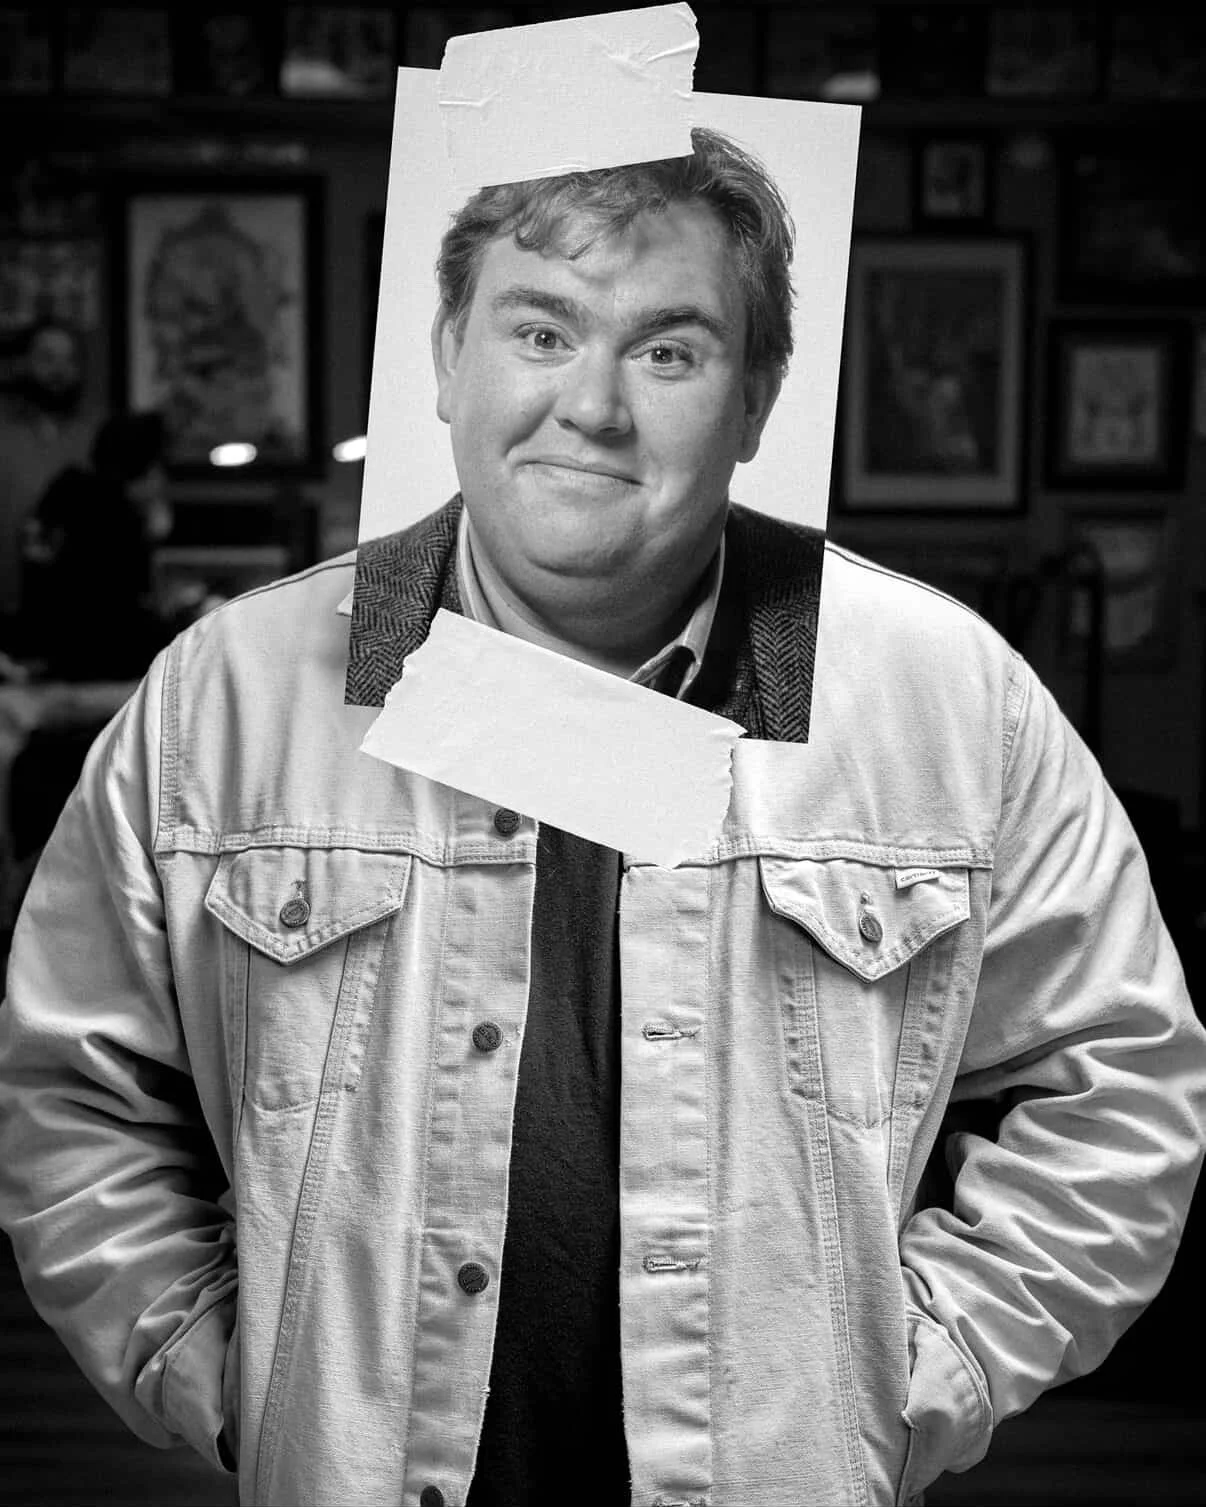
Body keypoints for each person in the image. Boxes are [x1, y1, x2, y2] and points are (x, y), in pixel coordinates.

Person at [0, 127, 1204, 1507]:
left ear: (756, 401)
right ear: (445, 357)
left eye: (669, 351)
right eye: (541, 330)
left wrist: (914, 1373)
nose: (592, 405)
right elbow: (67, 1092)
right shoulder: (224, 696)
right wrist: (220, 1369)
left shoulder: (945, 701)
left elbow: (1121, 1082)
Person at [18, 410, 176, 681]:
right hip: (99, 660)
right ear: (141, 469)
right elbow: (122, 613)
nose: (162, 481)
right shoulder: (115, 518)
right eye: (157, 468)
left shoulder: (66, 490)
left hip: (51, 651)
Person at [0, 317, 95, 639]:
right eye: (47, 358)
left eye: (69, 360)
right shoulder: (4, 430)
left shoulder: (97, 434)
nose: (59, 370)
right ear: (23, 363)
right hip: (8, 608)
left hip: (80, 612)